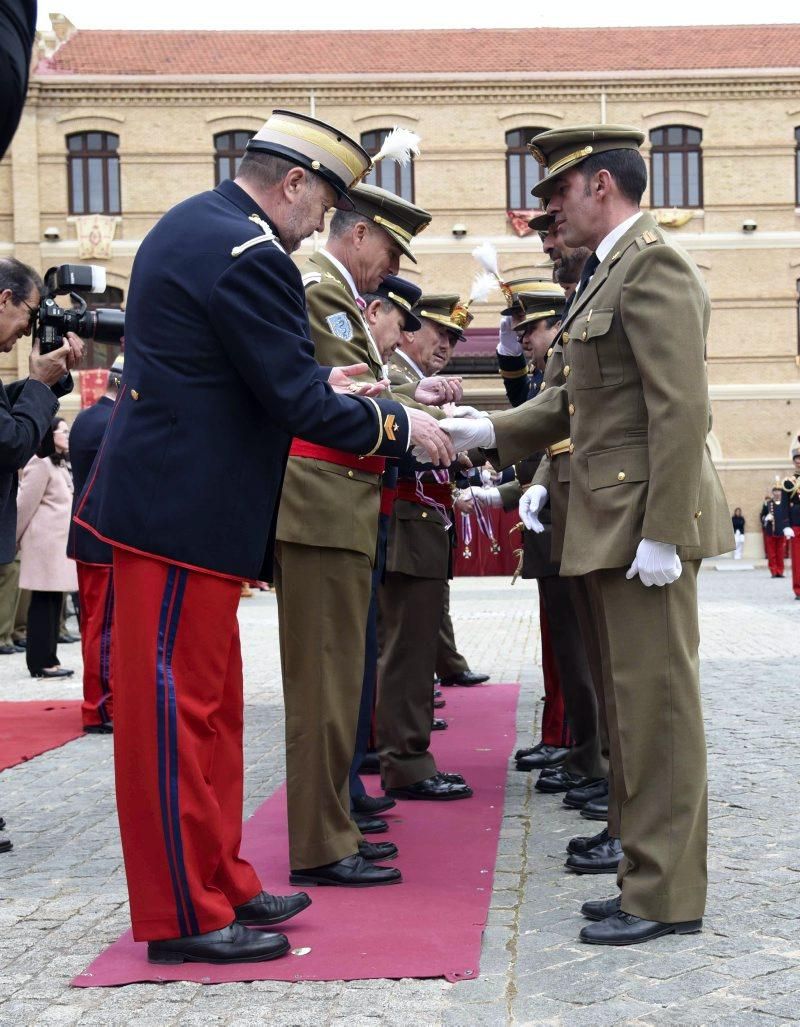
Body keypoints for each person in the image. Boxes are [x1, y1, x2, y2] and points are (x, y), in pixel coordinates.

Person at [73, 109, 453, 965]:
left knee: (210, 714)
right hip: (181, 515)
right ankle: (184, 912)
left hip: (189, 512)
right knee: (177, 718)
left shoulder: (203, 225)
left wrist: (323, 378)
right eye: (321, 204)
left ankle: (222, 877)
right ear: (291, 184)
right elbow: (291, 403)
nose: (321, 223)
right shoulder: (250, 255)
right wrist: (393, 425)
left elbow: (238, 368)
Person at [443, 125, 732, 946]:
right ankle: (645, 873)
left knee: (659, 713)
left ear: (601, 185)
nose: (549, 213)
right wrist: (482, 432)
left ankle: (669, 894)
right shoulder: (610, 271)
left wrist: (665, 531)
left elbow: (681, 407)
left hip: (644, 528)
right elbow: (571, 407)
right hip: (613, 525)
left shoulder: (656, 265)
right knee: (632, 711)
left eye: (557, 195)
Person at [275, 182, 433, 889]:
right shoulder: (321, 289)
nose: (389, 271)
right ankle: (319, 840)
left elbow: (366, 388)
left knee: (341, 682)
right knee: (324, 685)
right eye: (390, 251)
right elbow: (357, 392)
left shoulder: (333, 289)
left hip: (339, 504)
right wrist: (410, 414)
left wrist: (411, 400)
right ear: (362, 234)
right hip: (318, 502)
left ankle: (334, 823)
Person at [377, 295, 474, 802]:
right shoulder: (394, 370)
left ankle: (399, 748)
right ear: (407, 330)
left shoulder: (411, 379)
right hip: (408, 522)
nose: (446, 344)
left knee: (409, 649)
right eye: (437, 331)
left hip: (422, 522)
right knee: (407, 652)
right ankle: (407, 760)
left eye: (454, 338)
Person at [67, 353, 124, 732]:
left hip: (88, 535)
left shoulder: (87, 418)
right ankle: (100, 707)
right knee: (103, 631)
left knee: (95, 626)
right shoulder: (114, 421)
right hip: (104, 538)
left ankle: (103, 702)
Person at [17, 418, 78, 678]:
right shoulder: (40, 462)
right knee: (43, 603)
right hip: (43, 545)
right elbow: (24, 504)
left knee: (54, 603)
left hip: (57, 547)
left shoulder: (61, 464)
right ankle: (40, 661)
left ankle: (49, 658)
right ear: (50, 435)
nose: (67, 435)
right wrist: (13, 539)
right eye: (63, 431)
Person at [761, 485, 788, 577]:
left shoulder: (785, 504)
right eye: (775, 491)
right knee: (771, 553)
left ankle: (780, 571)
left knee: (780, 553)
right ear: (773, 493)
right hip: (770, 532)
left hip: (781, 531)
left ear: (781, 493)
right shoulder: (768, 504)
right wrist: (766, 518)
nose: (777, 493)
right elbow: (762, 516)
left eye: (779, 491)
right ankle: (773, 571)